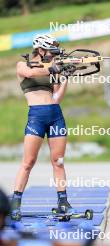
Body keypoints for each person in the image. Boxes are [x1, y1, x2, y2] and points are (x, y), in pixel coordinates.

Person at [11, 34, 73, 221]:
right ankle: (15, 203)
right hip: (36, 116)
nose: (54, 55)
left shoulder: (53, 68)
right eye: (51, 52)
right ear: (40, 49)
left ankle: (63, 202)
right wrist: (53, 67)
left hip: (55, 115)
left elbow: (56, 98)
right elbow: (30, 73)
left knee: (58, 161)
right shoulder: (22, 65)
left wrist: (64, 79)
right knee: (28, 162)